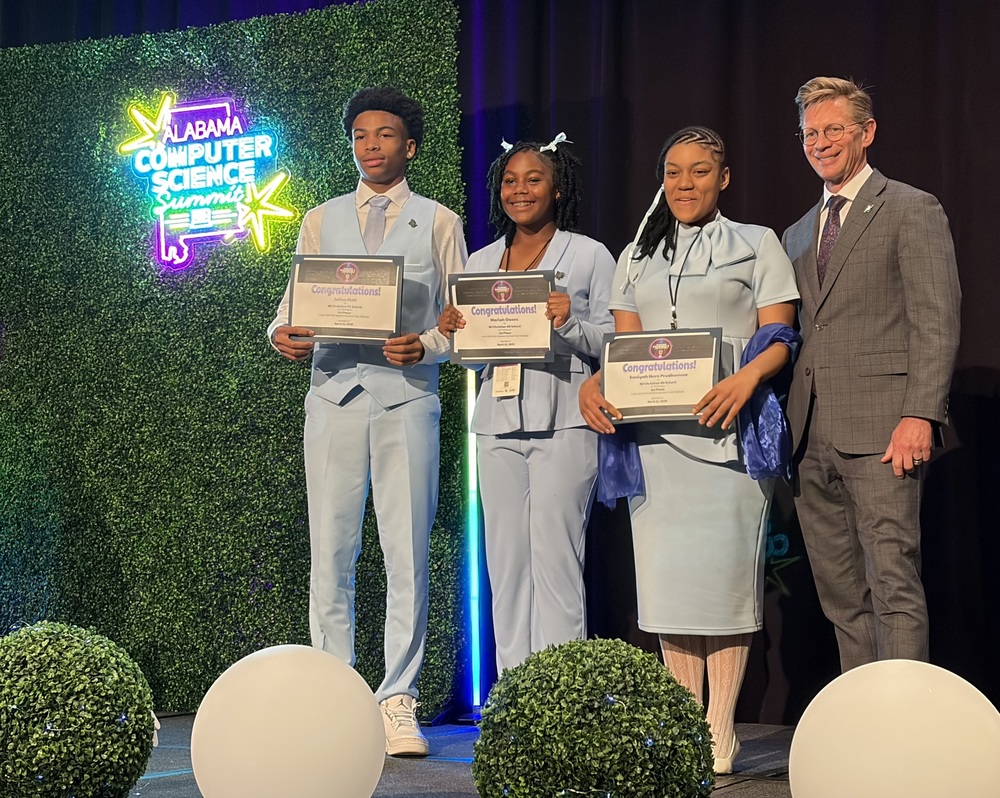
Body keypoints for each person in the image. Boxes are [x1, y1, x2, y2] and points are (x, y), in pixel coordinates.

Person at [578, 126, 799, 774]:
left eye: (699, 172)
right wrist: (596, 383)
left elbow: (782, 334)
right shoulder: (635, 257)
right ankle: (684, 728)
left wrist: (747, 376)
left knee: (725, 588)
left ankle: (720, 726)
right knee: (672, 591)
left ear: (724, 177)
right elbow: (624, 352)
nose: (685, 184)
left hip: (729, 436)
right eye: (673, 172)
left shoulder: (757, 243)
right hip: (657, 443)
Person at [267, 86, 467, 756]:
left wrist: (429, 346)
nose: (370, 146)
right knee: (332, 553)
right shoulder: (321, 219)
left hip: (406, 401)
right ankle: (334, 693)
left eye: (383, 135)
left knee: (406, 553)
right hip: (331, 400)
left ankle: (397, 700)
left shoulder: (438, 221)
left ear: (409, 145)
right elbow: (290, 307)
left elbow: (461, 324)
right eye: (359, 135)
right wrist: (281, 336)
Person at [782, 77, 961, 672]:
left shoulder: (912, 207)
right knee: (841, 597)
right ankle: (863, 724)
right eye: (812, 132)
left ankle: (904, 733)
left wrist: (920, 415)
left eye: (835, 129)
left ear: (867, 132)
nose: (822, 142)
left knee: (892, 585)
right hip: (811, 440)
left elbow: (936, 321)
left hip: (886, 431)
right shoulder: (798, 231)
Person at [437, 136, 616, 672]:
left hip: (565, 421)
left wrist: (569, 323)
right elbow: (471, 362)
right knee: (507, 565)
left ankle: (562, 695)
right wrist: (453, 335)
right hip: (496, 425)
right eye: (510, 181)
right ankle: (515, 694)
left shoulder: (588, 255)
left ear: (557, 188)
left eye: (533, 180)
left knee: (557, 561)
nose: (520, 190)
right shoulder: (481, 260)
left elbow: (616, 344)